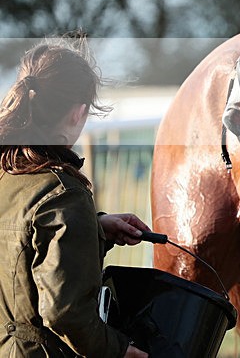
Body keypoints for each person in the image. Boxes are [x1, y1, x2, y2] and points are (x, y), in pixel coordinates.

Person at [0, 36, 149, 357]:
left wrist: (95, 227)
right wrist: (120, 350)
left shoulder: (5, 172)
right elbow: (65, 314)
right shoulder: (63, 195)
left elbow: (21, 240)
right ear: (78, 113)